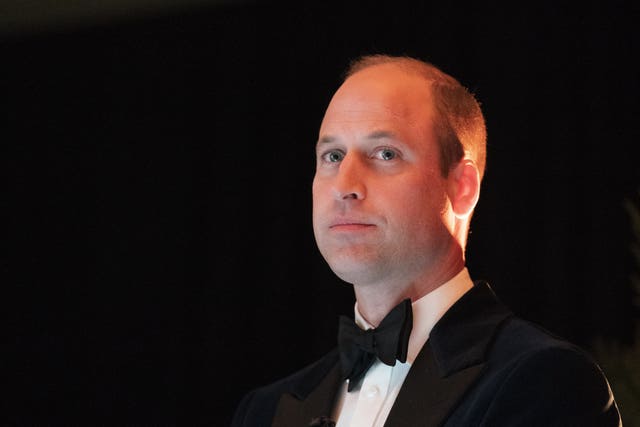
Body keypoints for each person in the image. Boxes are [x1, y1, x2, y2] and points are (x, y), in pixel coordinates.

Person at [231, 54, 622, 426]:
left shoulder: (545, 381)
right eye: (332, 156)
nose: (345, 186)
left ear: (463, 187)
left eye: (385, 154)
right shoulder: (264, 411)